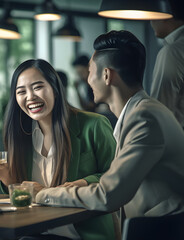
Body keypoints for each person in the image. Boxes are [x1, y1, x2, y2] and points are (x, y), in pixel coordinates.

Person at [35, 30, 184, 223]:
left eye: (90, 72)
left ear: (106, 75)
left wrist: (44, 194)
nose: (88, 80)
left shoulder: (145, 118)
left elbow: (108, 195)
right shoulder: (140, 112)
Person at [0, 59, 117, 239]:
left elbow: (116, 180)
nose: (30, 96)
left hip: (80, 234)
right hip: (33, 230)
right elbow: (26, 194)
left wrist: (83, 182)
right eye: (21, 92)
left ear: (55, 88)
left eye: (37, 87)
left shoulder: (93, 125)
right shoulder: (20, 136)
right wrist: (8, 179)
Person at [150, 0, 184, 129]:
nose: (151, 22)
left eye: (153, 16)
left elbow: (159, 108)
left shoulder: (172, 51)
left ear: (164, 14)